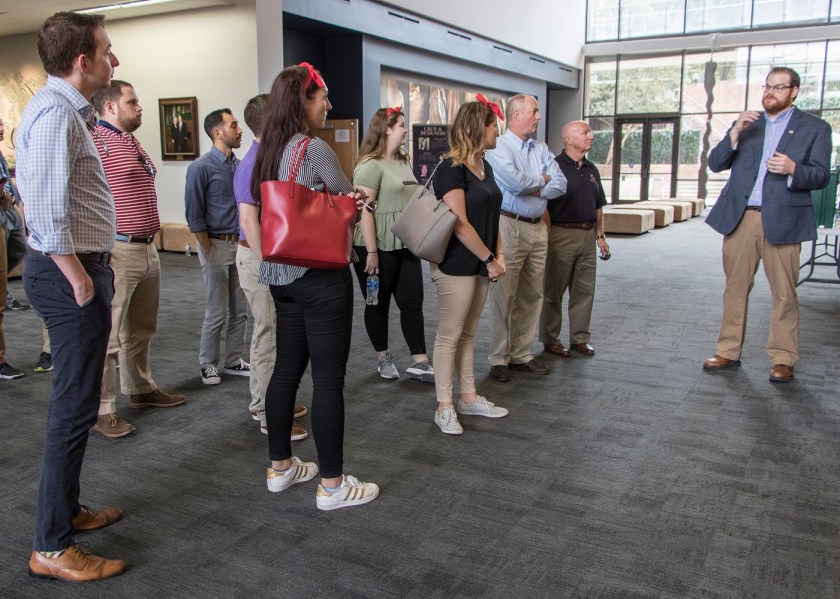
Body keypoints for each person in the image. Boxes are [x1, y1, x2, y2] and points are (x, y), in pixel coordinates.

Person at [17, 11, 126, 582]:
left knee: (79, 404)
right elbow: (43, 210)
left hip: (75, 269)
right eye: (108, 51)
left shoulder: (62, 111)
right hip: (68, 274)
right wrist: (79, 277)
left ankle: (65, 513)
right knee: (71, 408)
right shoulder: (55, 113)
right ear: (82, 61)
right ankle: (52, 548)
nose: (115, 60)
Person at [251, 62, 378, 510]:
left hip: (280, 275)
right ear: (303, 100)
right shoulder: (313, 149)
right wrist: (362, 195)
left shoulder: (267, 149)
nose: (329, 104)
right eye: (323, 96)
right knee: (328, 381)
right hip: (319, 276)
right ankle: (332, 485)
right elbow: (345, 197)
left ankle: (280, 468)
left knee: (286, 370)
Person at [703, 66, 831, 384]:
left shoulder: (815, 128)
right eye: (767, 86)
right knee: (735, 289)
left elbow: (821, 175)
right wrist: (733, 134)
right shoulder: (748, 124)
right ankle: (728, 351)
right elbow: (715, 163)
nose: (770, 92)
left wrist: (792, 168)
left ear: (794, 91)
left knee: (784, 294)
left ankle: (783, 358)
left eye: (778, 87)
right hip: (741, 218)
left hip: (784, 219)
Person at [89, 79, 186, 438]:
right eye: (133, 102)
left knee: (141, 328)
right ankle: (103, 409)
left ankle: (141, 389)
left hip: (147, 247)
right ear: (110, 106)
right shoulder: (97, 141)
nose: (140, 107)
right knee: (110, 334)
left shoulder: (130, 140)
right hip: (118, 248)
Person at [430, 97, 509, 435]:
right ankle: (444, 406)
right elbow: (459, 223)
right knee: (449, 335)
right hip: (456, 263)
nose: (497, 131)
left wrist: (499, 253)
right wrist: (489, 259)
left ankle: (468, 396)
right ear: (480, 128)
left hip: (481, 262)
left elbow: (492, 215)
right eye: (494, 125)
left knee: (468, 333)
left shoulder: (484, 165)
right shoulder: (451, 167)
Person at [233, 93, 308, 441]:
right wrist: (270, 266)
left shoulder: (270, 158)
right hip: (258, 257)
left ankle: (272, 400)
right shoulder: (252, 163)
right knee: (267, 333)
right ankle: (265, 411)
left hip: (269, 257)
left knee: (275, 332)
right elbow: (249, 221)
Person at [484, 94, 566, 382]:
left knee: (533, 294)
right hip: (509, 225)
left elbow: (560, 184)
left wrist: (537, 185)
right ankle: (499, 358)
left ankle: (521, 354)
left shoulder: (541, 148)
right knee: (504, 294)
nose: (539, 116)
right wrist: (541, 180)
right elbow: (515, 184)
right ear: (516, 115)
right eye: (534, 111)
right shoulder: (498, 147)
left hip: (538, 227)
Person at [352, 107, 435, 382]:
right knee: (378, 303)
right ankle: (383, 357)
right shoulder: (369, 165)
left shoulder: (402, 161)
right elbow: (365, 210)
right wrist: (372, 252)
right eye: (401, 124)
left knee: (413, 301)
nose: (405, 129)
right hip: (375, 244)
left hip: (405, 241)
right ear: (386, 129)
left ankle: (420, 361)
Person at [185, 108, 250, 385]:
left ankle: (234, 359)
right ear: (218, 132)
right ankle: (207, 363)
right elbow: (193, 213)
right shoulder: (200, 167)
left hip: (240, 245)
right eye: (234, 125)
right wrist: (207, 248)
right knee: (216, 310)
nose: (240, 130)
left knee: (240, 309)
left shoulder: (239, 165)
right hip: (215, 244)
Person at [539, 120, 609, 358]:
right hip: (561, 234)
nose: (591, 136)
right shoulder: (554, 166)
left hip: (588, 236)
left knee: (584, 291)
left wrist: (600, 236)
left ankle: (580, 339)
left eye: (589, 132)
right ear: (568, 139)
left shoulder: (591, 169)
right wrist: (549, 234)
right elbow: (543, 204)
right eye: (585, 132)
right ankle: (550, 339)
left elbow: (599, 205)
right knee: (553, 291)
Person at [1, 117, 31, 314]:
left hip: (10, 207)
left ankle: (2, 287)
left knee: (19, 247)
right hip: (2, 206)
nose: (2, 129)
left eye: (2, 125)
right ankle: (5, 295)